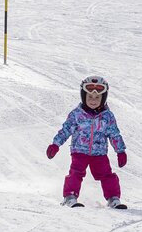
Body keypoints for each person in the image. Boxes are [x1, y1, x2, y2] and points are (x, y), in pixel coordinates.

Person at [46, 75, 128, 208]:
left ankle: (113, 198)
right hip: (79, 151)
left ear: (103, 98)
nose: (93, 100)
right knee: (76, 173)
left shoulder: (107, 116)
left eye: (97, 97)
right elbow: (66, 130)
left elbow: (114, 134)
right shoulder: (77, 114)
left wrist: (120, 151)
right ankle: (70, 196)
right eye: (90, 97)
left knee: (107, 175)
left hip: (99, 153)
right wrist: (56, 144)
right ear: (84, 96)